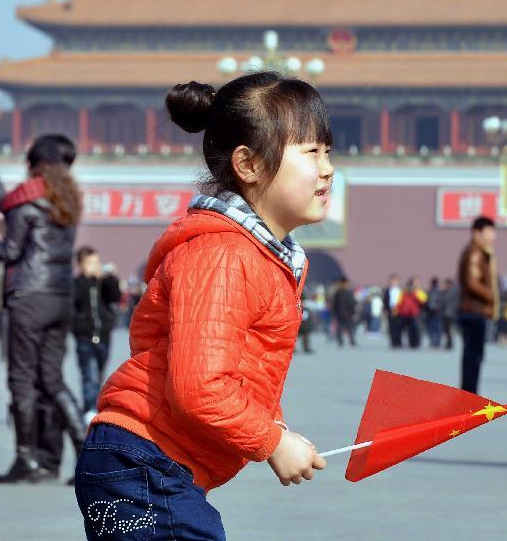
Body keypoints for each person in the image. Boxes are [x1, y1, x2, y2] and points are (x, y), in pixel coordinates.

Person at [74, 73, 330, 541]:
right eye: (311, 153)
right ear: (248, 165)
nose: (328, 168)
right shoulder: (223, 254)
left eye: (328, 151)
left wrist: (273, 426)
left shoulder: (262, 257)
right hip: (141, 467)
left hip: (144, 468)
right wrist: (272, 441)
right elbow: (198, 387)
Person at [0, 135, 86, 483]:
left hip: (29, 299)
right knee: (52, 379)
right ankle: (84, 447)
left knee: (21, 379)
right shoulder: (66, 201)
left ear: (36, 165)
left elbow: (9, 253)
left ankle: (25, 459)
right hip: (59, 298)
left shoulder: (25, 202)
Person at [72, 246, 122, 421]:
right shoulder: (77, 284)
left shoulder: (103, 283)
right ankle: (89, 408)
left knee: (99, 373)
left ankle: (93, 404)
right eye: (90, 263)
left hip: (104, 336)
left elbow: (115, 296)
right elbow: (73, 302)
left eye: (96, 262)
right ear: (80, 264)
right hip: (84, 336)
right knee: (89, 373)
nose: (94, 266)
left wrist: (111, 277)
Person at [457, 216, 498, 394]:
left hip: (475, 310)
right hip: (473, 310)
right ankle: (469, 395)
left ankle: (470, 394)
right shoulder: (475, 252)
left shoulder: (481, 252)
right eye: (489, 231)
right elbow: (472, 282)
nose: (493, 236)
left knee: (473, 356)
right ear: (477, 232)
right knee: (473, 357)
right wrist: (491, 296)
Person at [395, 278, 425, 349]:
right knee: (401, 330)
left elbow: (424, 300)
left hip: (414, 314)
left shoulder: (417, 292)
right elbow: (399, 303)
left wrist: (416, 293)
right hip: (403, 314)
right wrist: (396, 311)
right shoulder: (403, 293)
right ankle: (398, 343)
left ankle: (414, 343)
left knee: (414, 329)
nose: (409, 288)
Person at [332, 276, 357, 347]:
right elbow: (335, 304)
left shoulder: (342, 292)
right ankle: (342, 342)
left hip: (346, 313)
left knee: (349, 328)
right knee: (342, 328)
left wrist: (353, 312)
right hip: (343, 313)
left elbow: (352, 303)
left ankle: (350, 341)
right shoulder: (340, 293)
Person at [425, 276, 444, 348]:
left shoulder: (432, 292)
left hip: (435, 313)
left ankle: (436, 342)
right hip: (432, 313)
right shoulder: (435, 292)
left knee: (435, 328)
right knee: (434, 328)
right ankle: (434, 342)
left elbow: (441, 302)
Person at [385, 273, 403, 348]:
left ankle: (398, 342)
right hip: (390, 311)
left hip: (399, 311)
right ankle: (393, 342)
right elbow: (385, 301)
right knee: (391, 327)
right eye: (392, 280)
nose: (393, 282)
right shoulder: (387, 291)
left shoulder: (401, 291)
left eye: (395, 280)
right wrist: (386, 310)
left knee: (399, 327)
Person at [441, 278, 459, 350]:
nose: (445, 285)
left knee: (450, 329)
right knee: (446, 330)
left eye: (446, 284)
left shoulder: (453, 292)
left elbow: (455, 303)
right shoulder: (445, 292)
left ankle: (450, 343)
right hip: (445, 313)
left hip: (451, 314)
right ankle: (448, 343)